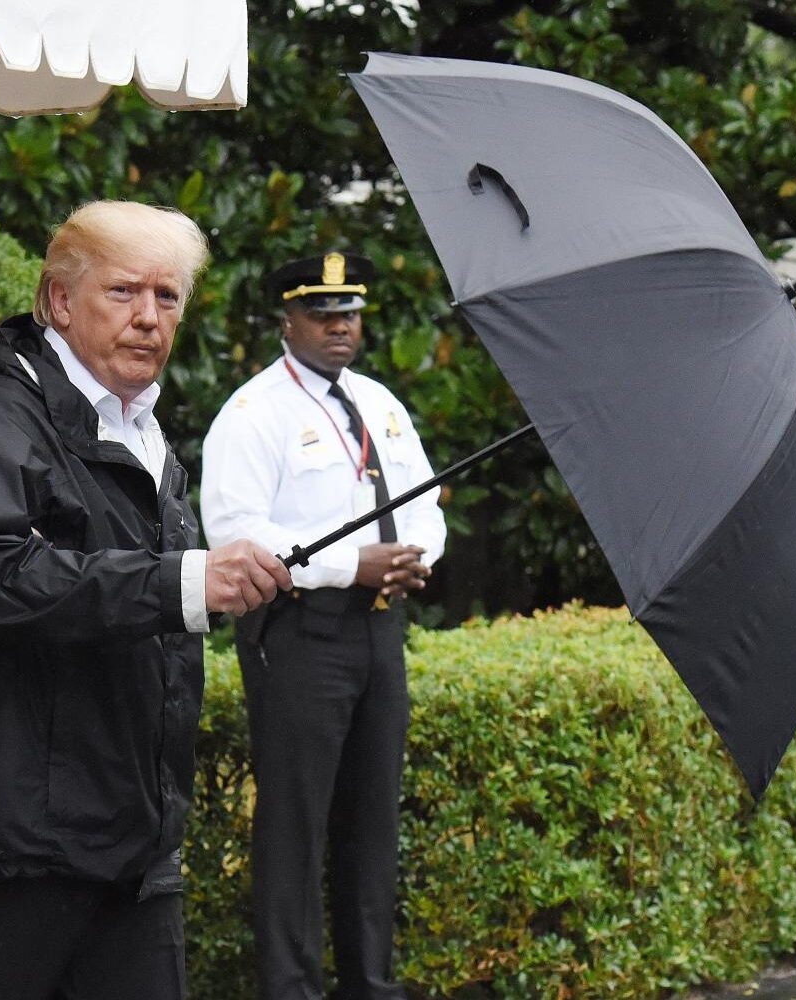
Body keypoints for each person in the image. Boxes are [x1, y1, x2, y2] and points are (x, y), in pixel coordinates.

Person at [0, 200, 293, 1000]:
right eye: (124, 291)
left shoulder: (141, 425)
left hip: (127, 852)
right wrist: (183, 582)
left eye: (167, 297)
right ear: (59, 301)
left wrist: (210, 581)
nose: (149, 318)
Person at [200, 250, 447, 1000]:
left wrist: (415, 557)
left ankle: (371, 985)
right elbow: (235, 531)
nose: (340, 327)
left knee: (372, 820)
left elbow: (424, 503)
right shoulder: (254, 413)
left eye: (351, 313)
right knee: (296, 826)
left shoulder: (380, 402)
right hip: (300, 631)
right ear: (288, 320)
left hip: (380, 630)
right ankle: (292, 989)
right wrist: (350, 565)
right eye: (322, 313)